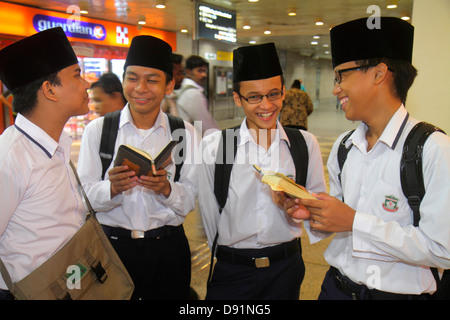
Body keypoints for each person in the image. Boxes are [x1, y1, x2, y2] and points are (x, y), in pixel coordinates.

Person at [283, 17, 450, 299]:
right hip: (335, 288)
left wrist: (354, 221)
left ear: (378, 73)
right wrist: (311, 212)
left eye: (342, 75)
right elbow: (341, 221)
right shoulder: (345, 146)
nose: (336, 88)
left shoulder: (432, 149)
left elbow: (442, 249)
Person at [198, 42, 326, 300]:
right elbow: (210, 213)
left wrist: (298, 208)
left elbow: (318, 211)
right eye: (254, 96)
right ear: (238, 98)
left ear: (283, 92)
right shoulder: (216, 145)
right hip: (232, 272)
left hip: (286, 269)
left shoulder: (303, 143)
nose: (266, 105)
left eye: (274, 94)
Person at [77, 35, 198, 300]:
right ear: (123, 81)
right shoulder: (99, 131)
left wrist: (166, 188)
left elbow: (190, 197)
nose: (140, 88)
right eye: (132, 78)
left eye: (152, 80)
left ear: (169, 85)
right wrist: (111, 189)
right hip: (112, 250)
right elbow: (84, 196)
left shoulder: (184, 132)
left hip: (168, 251)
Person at [0, 27, 91, 300]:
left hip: (68, 285)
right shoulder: (11, 157)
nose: (86, 84)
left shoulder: (59, 145)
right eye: (77, 75)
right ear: (50, 90)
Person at [176, 55, 218, 136]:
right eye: (199, 71)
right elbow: (206, 125)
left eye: (205, 71)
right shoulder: (193, 94)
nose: (204, 75)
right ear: (188, 72)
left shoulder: (183, 89)